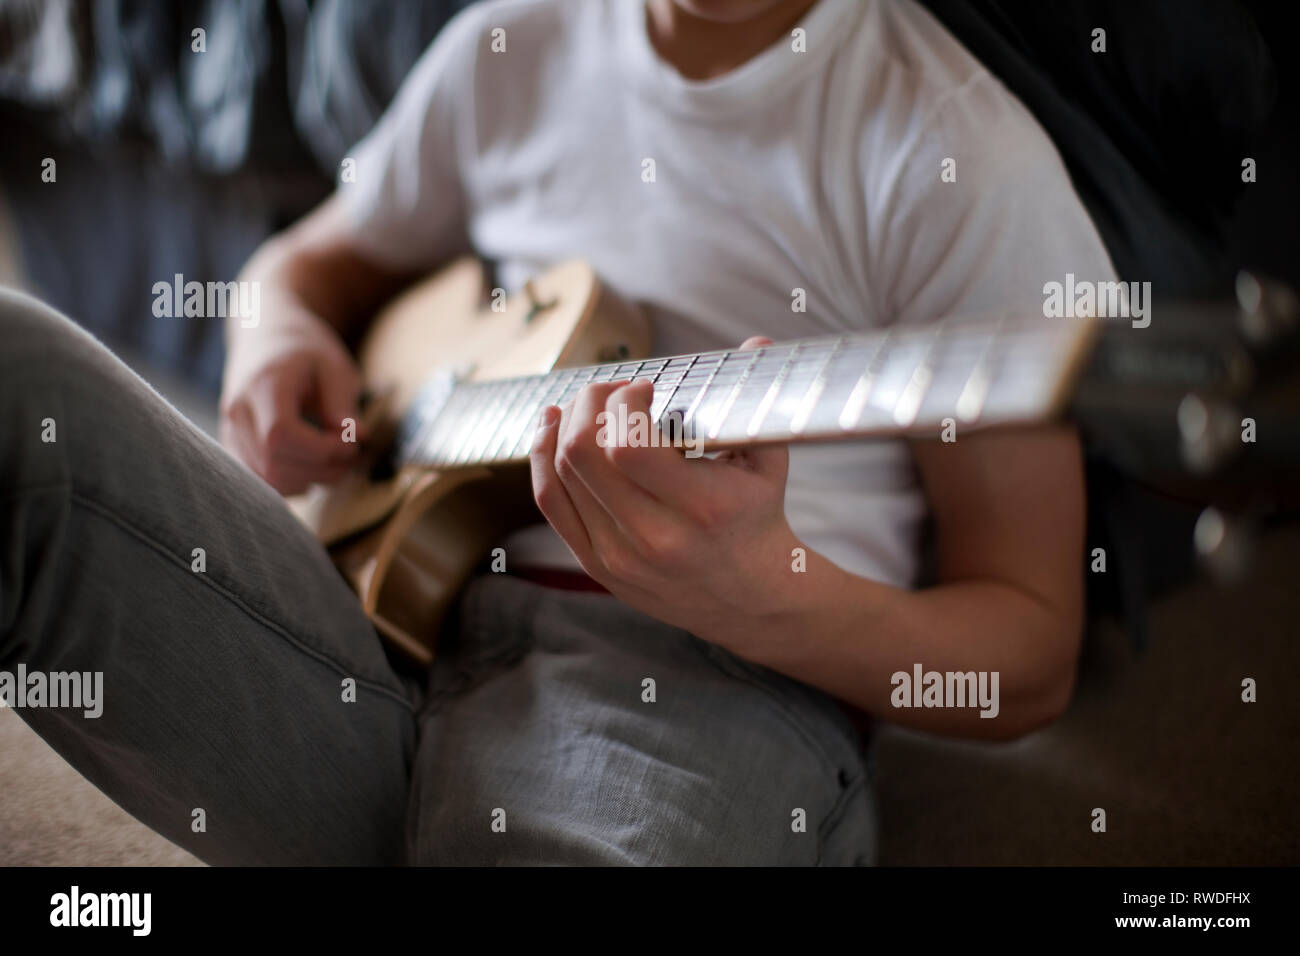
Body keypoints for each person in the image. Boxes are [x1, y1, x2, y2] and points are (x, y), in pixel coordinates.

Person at [0, 0, 1115, 864]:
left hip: (698, 686)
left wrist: (765, 592)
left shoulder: (958, 157)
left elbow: (1028, 660)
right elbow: (306, 259)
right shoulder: (513, 43)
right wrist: (270, 332)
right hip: (366, 612)